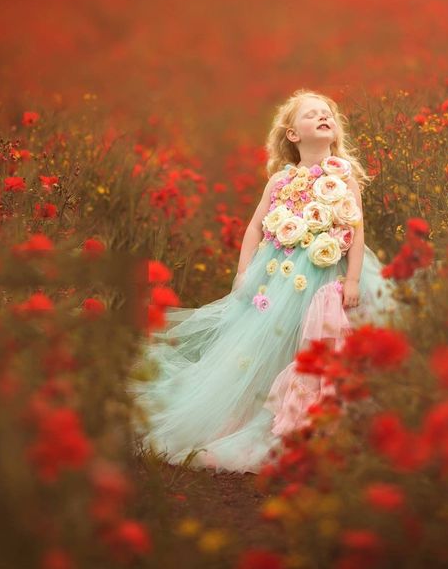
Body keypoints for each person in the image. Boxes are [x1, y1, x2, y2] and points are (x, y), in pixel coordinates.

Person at [126, 88, 398, 474]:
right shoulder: (280, 181)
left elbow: (356, 230)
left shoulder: (343, 177)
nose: (323, 117)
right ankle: (262, 409)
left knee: (315, 340)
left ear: (335, 130)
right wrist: (243, 272)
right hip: (279, 277)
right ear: (292, 135)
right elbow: (254, 228)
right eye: (312, 114)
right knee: (269, 340)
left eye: (328, 114)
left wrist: (352, 280)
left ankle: (312, 414)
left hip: (325, 279)